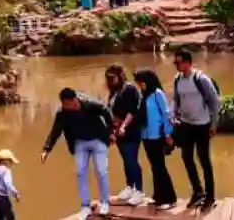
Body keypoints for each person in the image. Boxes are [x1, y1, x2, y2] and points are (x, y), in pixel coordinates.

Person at [41, 87, 113, 220]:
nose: (70, 107)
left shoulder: (89, 104)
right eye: (66, 105)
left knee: (101, 170)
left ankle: (104, 202)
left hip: (98, 140)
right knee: (80, 173)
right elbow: (55, 131)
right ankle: (85, 205)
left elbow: (105, 111)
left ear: (75, 100)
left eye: (72, 104)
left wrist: (111, 132)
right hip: (79, 143)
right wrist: (46, 149)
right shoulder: (62, 113)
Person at [171, 48, 219, 209]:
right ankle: (198, 191)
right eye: (175, 63)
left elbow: (215, 102)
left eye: (178, 62)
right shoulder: (177, 79)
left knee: (204, 160)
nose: (176, 65)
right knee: (186, 158)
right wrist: (172, 113)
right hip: (186, 124)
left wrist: (214, 124)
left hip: (202, 125)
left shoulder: (200, 79)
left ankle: (210, 197)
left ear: (187, 62)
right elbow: (176, 99)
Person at [136, 69, 177, 209]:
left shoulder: (157, 94)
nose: (140, 85)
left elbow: (166, 114)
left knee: (160, 167)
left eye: (141, 82)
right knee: (154, 167)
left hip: (157, 135)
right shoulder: (143, 96)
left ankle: (170, 198)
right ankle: (158, 196)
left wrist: (168, 134)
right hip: (146, 135)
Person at [106, 64, 146, 207]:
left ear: (120, 75)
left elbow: (132, 111)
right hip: (118, 133)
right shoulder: (114, 92)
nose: (110, 80)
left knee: (132, 160)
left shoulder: (130, 89)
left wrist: (123, 126)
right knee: (125, 160)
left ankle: (139, 191)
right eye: (108, 78)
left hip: (131, 131)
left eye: (113, 77)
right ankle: (129, 187)